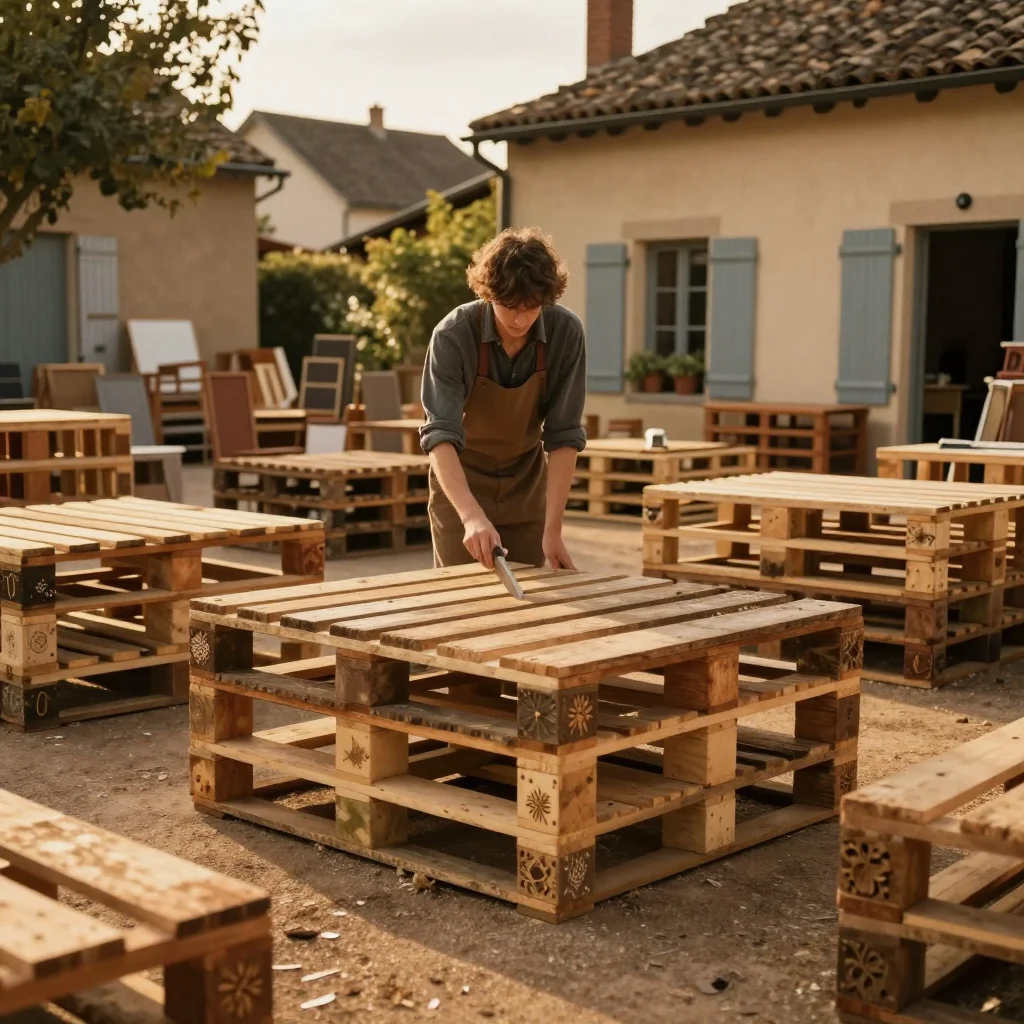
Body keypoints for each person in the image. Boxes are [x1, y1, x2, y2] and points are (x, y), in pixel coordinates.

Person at [419, 227, 587, 571]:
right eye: (509, 306)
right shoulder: (453, 336)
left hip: (527, 486)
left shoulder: (565, 333)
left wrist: (553, 531)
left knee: (529, 598)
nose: (520, 319)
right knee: (458, 597)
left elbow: (564, 436)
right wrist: (471, 516)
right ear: (488, 293)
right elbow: (439, 436)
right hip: (461, 484)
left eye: (532, 307)